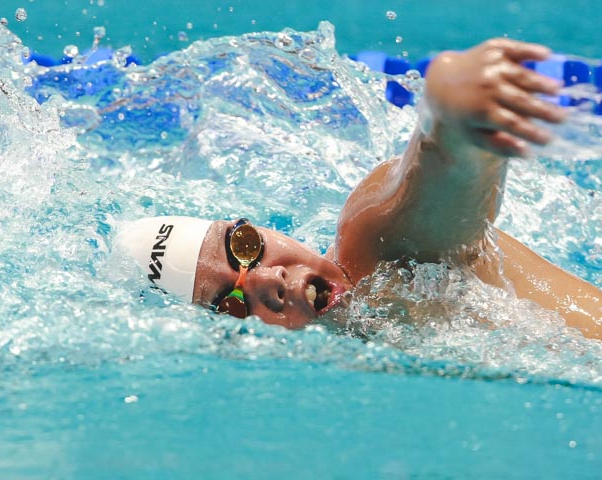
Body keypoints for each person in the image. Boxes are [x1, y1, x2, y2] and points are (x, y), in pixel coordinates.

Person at [116, 38, 602, 341]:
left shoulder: (374, 247)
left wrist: (451, 109)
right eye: (231, 303)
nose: (266, 280)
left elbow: (430, 179)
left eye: (245, 246)